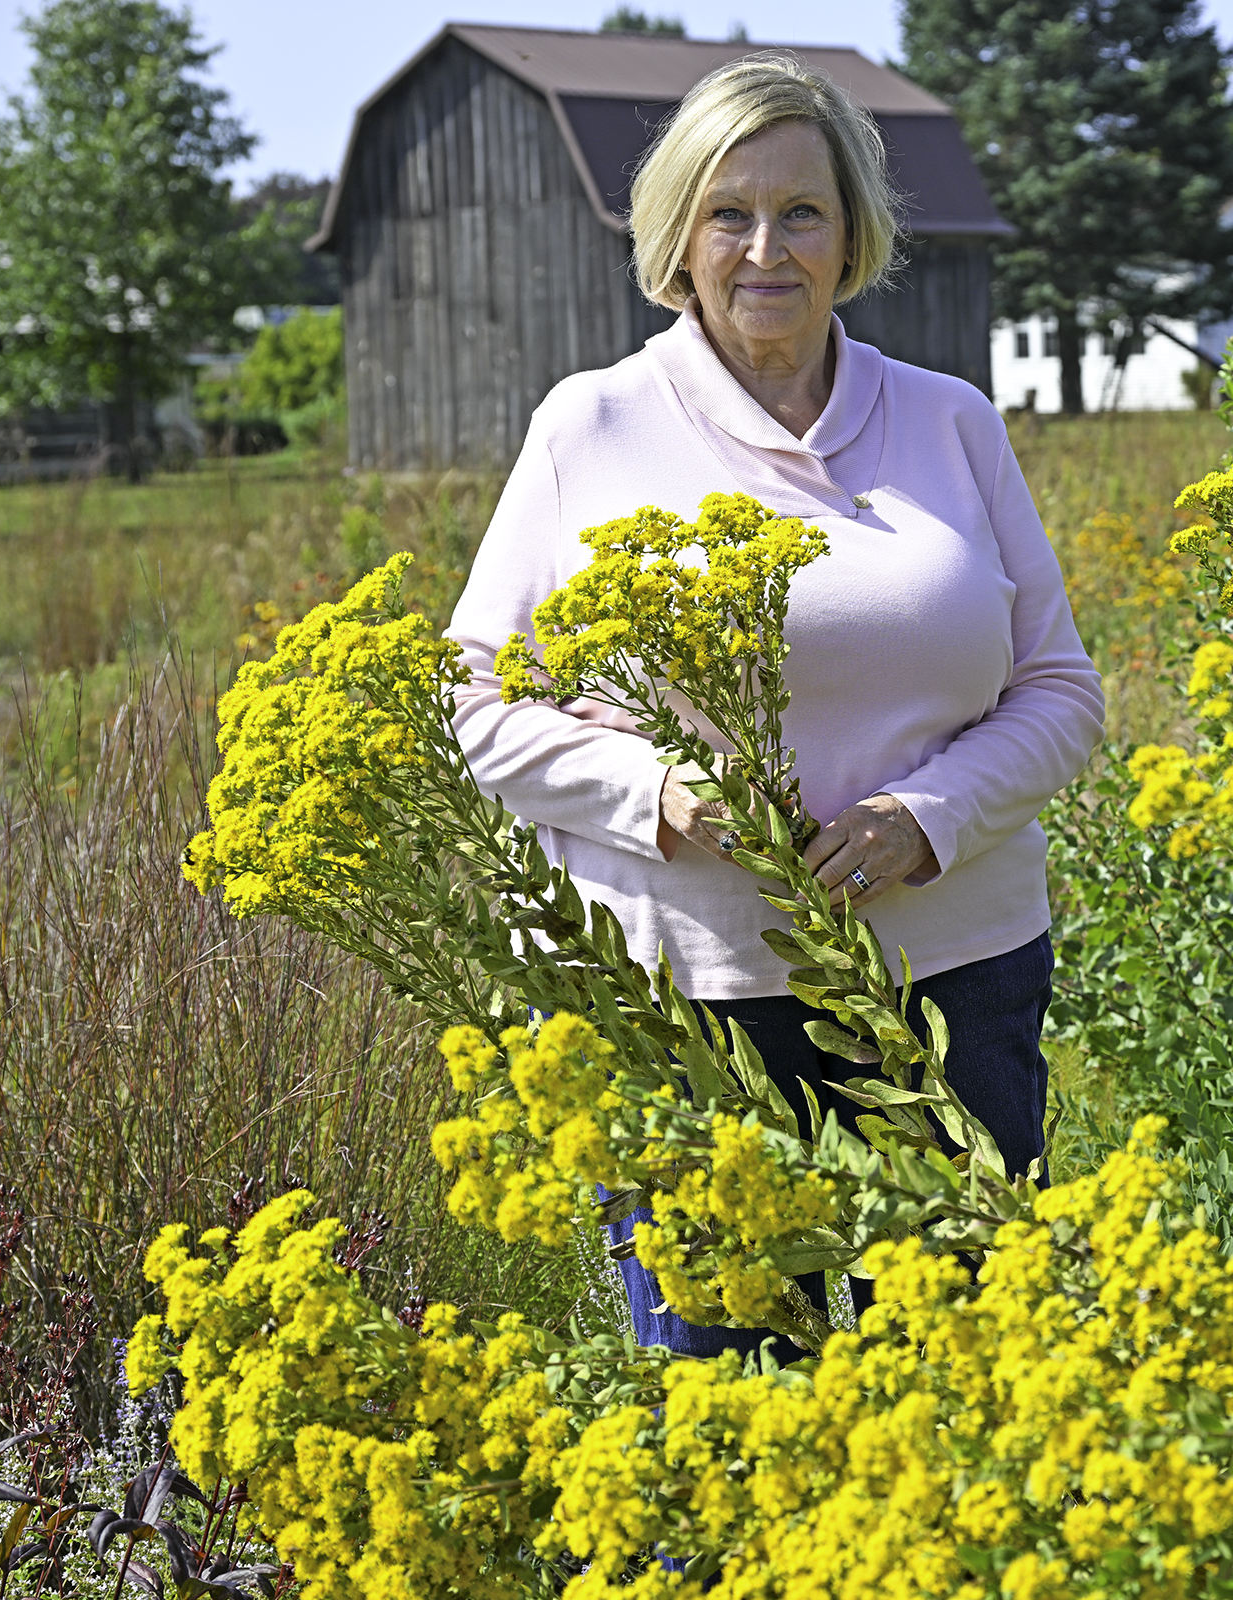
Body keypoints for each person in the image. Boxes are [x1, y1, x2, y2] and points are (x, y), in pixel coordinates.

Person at [445, 54, 1106, 1356]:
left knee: (969, 1387)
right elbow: (474, 702)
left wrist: (931, 815)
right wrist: (648, 799)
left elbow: (1063, 693)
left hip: (952, 992)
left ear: (852, 233)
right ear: (676, 236)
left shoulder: (952, 422)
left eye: (802, 212)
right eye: (728, 213)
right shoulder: (594, 428)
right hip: (693, 1000)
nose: (766, 248)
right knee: (732, 1405)